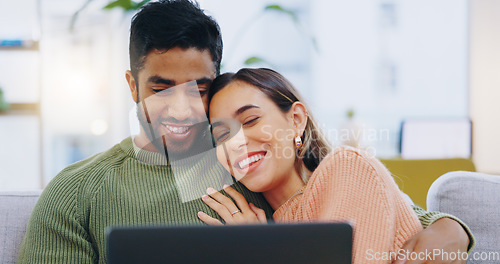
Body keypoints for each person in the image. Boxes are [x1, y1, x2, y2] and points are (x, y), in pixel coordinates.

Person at [18, 1, 473, 263]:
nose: (182, 108)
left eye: (199, 88)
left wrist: (453, 229)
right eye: (160, 88)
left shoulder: (248, 165)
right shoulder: (80, 192)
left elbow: (406, 219)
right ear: (132, 85)